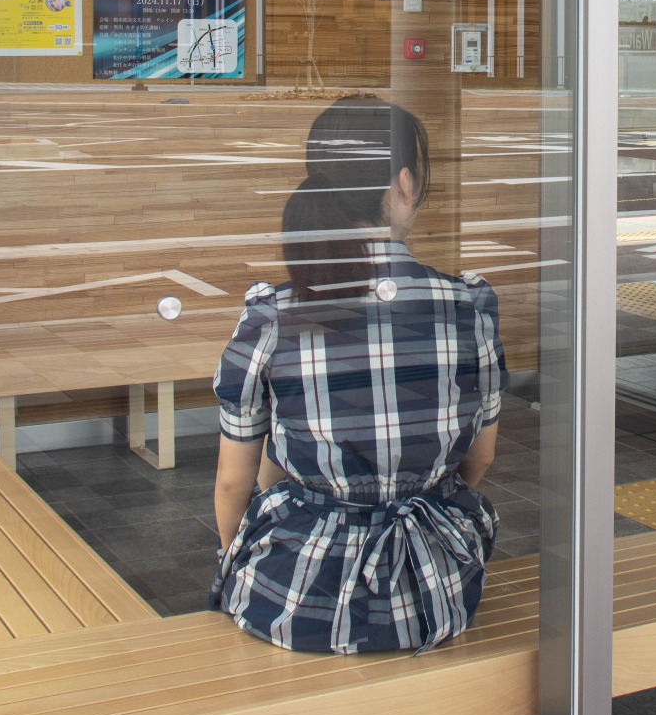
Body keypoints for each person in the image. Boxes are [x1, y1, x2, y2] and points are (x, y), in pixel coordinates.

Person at [208, 96, 504, 654]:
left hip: (295, 600)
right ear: (404, 185)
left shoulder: (272, 315)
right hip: (434, 593)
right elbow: (480, 458)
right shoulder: (469, 306)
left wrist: (231, 560)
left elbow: (233, 483)